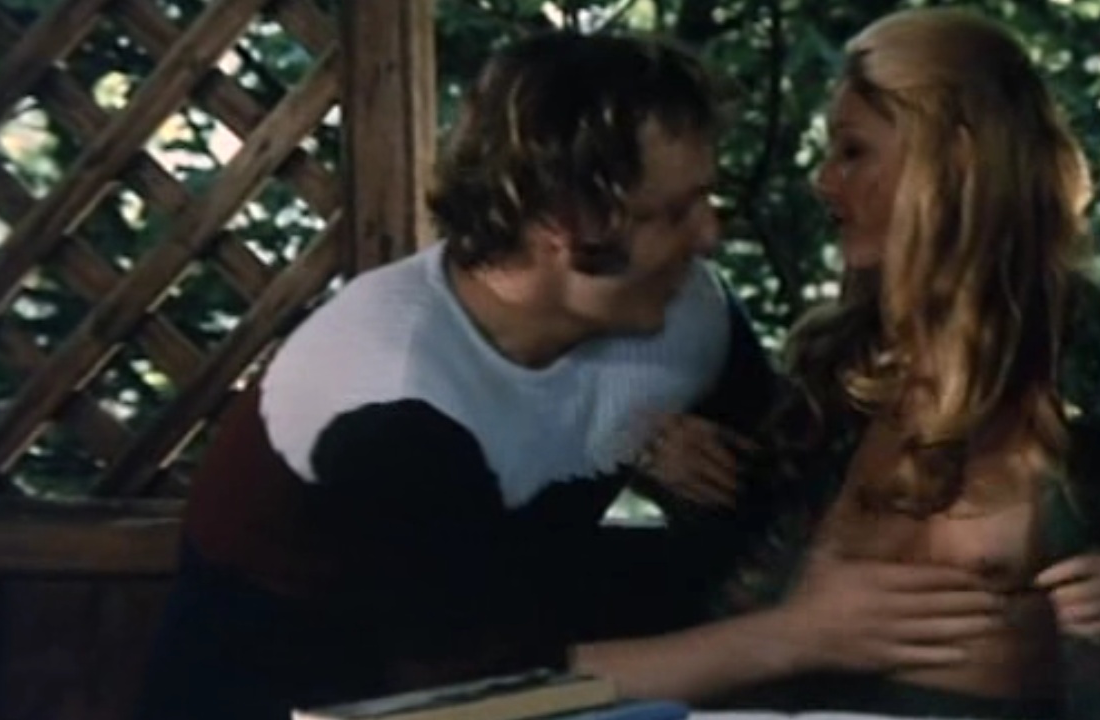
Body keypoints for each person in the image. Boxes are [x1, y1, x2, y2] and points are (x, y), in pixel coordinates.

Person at [573, 8, 1100, 719]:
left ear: (953, 160)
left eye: (853, 151)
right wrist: (675, 472)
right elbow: (769, 583)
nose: (824, 181)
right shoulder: (840, 359)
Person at [134, 32, 782, 720]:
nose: (709, 235)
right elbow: (489, 683)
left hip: (503, 630)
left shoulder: (683, 310)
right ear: (565, 220)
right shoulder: (387, 394)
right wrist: (795, 638)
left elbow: (778, 490)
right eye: (677, 212)